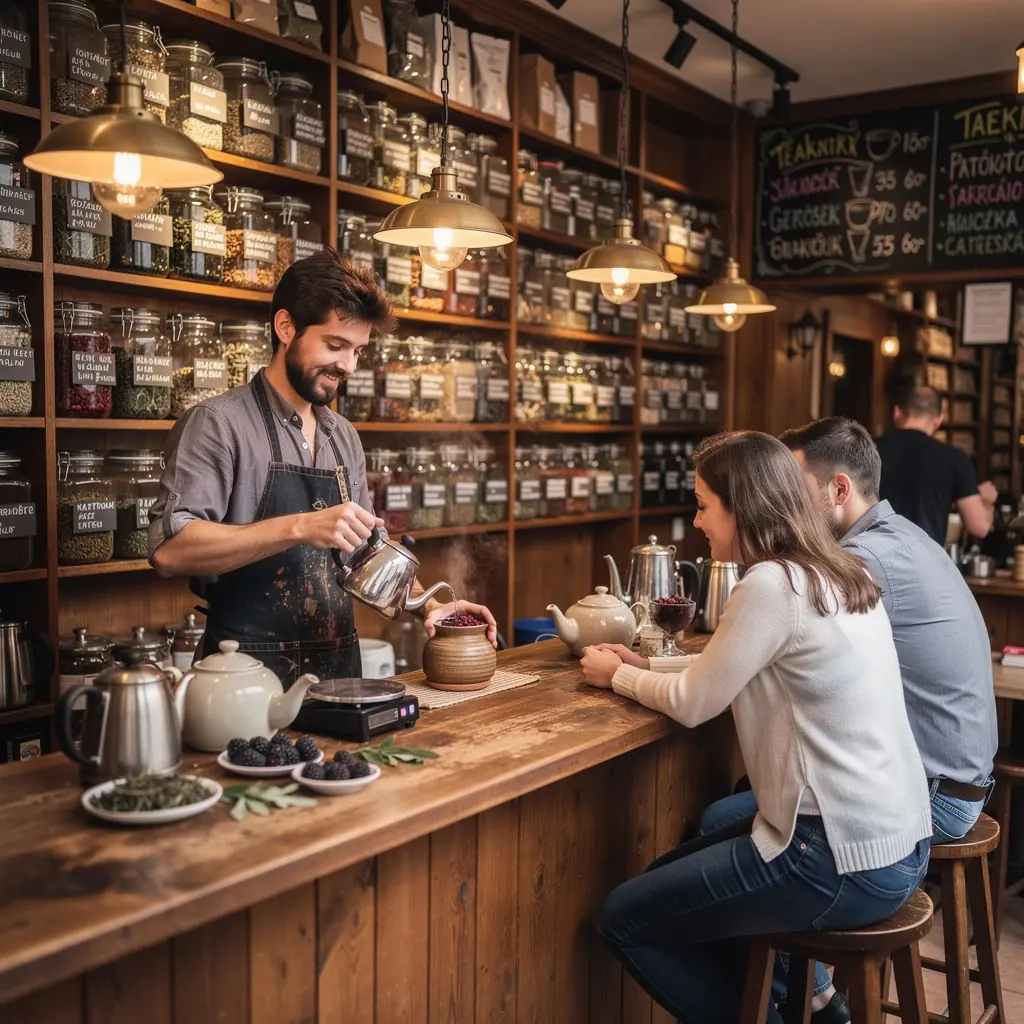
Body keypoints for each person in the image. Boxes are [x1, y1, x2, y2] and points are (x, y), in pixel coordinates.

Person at [579, 431, 931, 1024]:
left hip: (836, 858)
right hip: (899, 844)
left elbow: (694, 703)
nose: (697, 522)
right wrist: (648, 665)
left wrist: (618, 675)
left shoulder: (771, 584)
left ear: (740, 505)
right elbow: (739, 665)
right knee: (671, 885)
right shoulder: (834, 569)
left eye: (703, 505)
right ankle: (818, 1008)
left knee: (624, 917)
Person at [700, 417, 999, 1023]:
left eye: (795, 484)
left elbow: (755, 654)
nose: (781, 498)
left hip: (931, 799)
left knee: (727, 819)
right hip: (956, 783)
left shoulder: (857, 560)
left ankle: (808, 997)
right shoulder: (903, 535)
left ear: (838, 490)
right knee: (750, 805)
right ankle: (800, 991)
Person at [148, 251, 497, 684]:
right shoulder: (218, 423)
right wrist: (300, 526)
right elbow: (170, 551)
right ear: (285, 327)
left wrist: (429, 605)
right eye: (335, 346)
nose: (348, 365)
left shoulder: (343, 436)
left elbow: (366, 555)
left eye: (357, 351)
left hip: (339, 677)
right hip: (244, 681)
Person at [876, 385, 997, 545]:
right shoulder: (954, 458)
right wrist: (985, 502)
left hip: (869, 556)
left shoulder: (868, 449)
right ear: (938, 420)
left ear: (897, 413)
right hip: (925, 559)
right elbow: (979, 527)